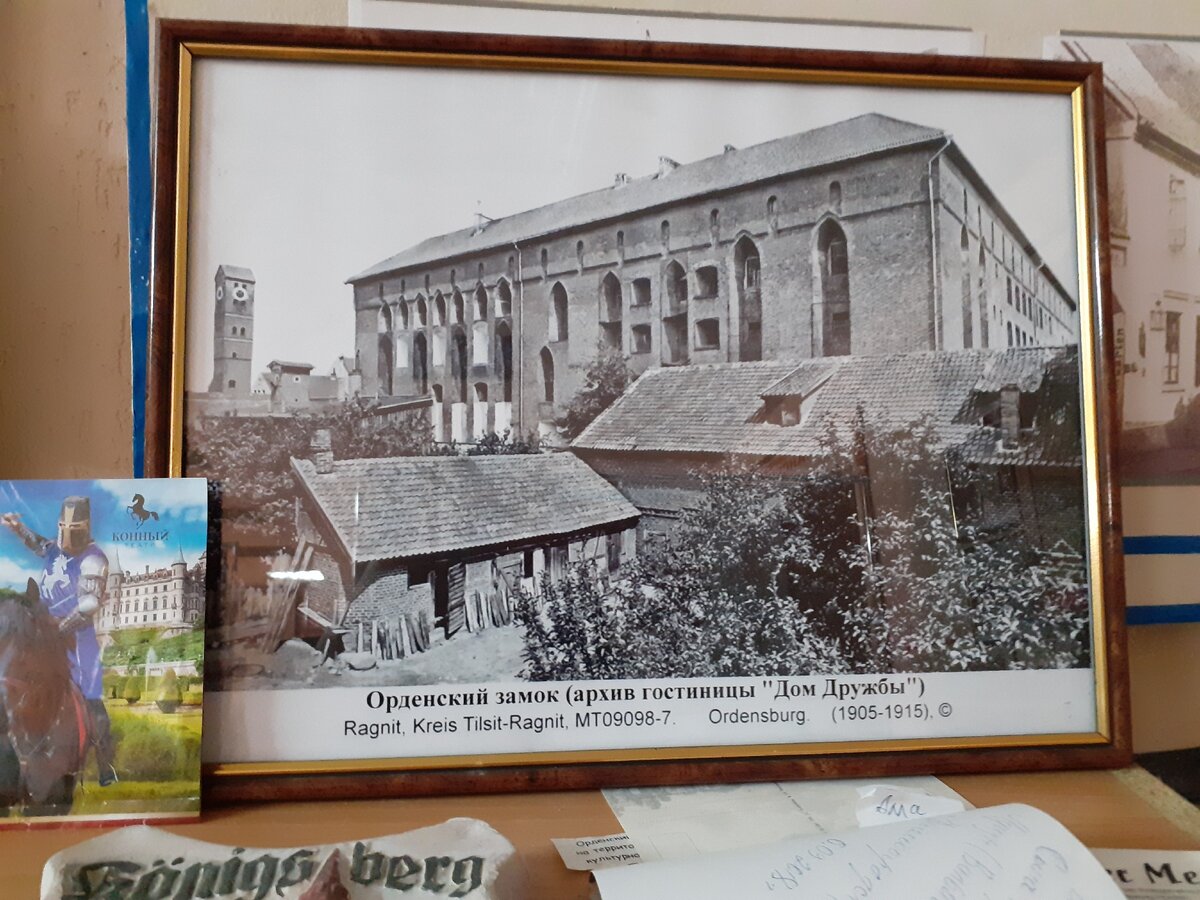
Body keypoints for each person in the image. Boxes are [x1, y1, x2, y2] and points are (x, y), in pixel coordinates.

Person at [1, 497, 117, 786]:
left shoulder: (93, 558)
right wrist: (18, 528)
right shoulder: (54, 549)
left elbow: (89, 604)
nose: (66, 534)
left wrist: (60, 629)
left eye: (72, 528)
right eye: (63, 527)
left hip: (77, 639)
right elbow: (37, 544)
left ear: (85, 527)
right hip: (41, 631)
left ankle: (105, 764)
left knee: (92, 701)